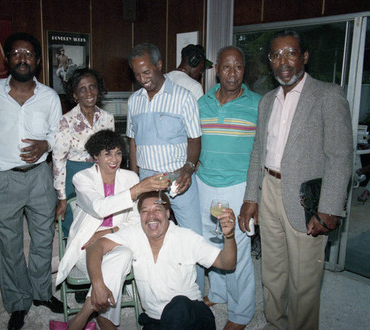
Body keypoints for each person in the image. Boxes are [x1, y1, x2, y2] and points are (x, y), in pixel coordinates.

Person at [238, 30, 352, 329]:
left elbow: (340, 157)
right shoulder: (267, 102)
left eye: (290, 53)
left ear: (304, 57)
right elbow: (257, 154)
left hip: (306, 198)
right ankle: (275, 324)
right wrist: (251, 198)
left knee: (304, 278)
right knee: (272, 271)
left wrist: (329, 207)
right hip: (269, 191)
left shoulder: (328, 95)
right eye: (276, 55)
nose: (282, 61)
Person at [0, 32, 62, 330]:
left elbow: (58, 133)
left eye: (28, 54)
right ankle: (16, 303)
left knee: (42, 239)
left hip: (40, 177)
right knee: (9, 244)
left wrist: (45, 145)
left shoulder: (49, 97)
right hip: (4, 178)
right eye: (16, 54)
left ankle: (41, 293)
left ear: (37, 61)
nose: (22, 59)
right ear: (7, 59)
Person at [55, 130, 167, 329]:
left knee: (122, 254)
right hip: (86, 248)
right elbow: (99, 207)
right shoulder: (82, 178)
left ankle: (86, 312)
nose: (114, 159)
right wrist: (138, 190)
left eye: (117, 153)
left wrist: (109, 231)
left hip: (118, 241)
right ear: (95, 156)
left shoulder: (130, 177)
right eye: (107, 154)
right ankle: (105, 319)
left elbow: (135, 219)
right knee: (119, 262)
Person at [82, 191, 236, 330]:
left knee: (178, 305)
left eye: (157, 210)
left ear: (167, 213)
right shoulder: (135, 233)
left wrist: (229, 236)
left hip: (191, 316)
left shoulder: (186, 237)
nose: (151, 216)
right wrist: (98, 283)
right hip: (156, 321)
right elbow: (96, 246)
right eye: (145, 211)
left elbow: (227, 263)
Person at [126, 43, 205, 292]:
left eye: (146, 72)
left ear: (160, 65)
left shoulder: (184, 97)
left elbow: (195, 139)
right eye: (137, 74)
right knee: (150, 237)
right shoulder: (134, 101)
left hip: (178, 178)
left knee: (193, 238)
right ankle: (156, 291)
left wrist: (188, 169)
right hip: (148, 179)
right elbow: (133, 141)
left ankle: (195, 295)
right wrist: (135, 176)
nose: (142, 79)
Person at [196, 46, 260, 329]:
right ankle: (219, 292)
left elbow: (264, 151)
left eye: (238, 67)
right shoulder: (202, 103)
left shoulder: (259, 104)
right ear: (216, 70)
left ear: (244, 70)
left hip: (239, 187)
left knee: (240, 251)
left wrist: (254, 195)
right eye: (226, 67)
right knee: (211, 243)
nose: (232, 74)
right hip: (204, 184)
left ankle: (241, 313)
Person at [53, 68, 114, 238]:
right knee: (76, 229)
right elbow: (58, 162)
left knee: (100, 228)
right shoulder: (66, 121)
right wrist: (62, 198)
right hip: (74, 176)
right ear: (74, 95)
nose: (89, 92)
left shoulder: (107, 118)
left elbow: (111, 155)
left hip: (101, 177)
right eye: (82, 89)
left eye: (92, 87)